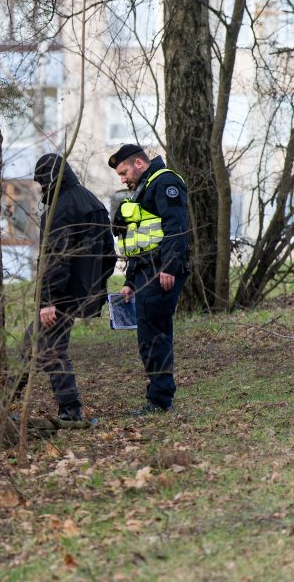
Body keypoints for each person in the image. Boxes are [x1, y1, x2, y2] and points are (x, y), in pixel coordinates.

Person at [13, 153, 116, 422]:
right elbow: (109, 253)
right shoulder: (92, 201)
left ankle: (70, 410)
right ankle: (8, 399)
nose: (40, 188)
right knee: (31, 343)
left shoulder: (61, 208)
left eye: (42, 182)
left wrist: (48, 300)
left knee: (50, 348)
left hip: (59, 295)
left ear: (51, 180)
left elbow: (55, 260)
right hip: (79, 292)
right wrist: (92, 287)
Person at [108, 144, 190, 415]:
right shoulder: (145, 189)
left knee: (154, 335)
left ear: (139, 163)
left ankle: (160, 400)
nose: (122, 179)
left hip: (160, 272)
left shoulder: (165, 182)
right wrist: (131, 281)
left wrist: (168, 267)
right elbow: (141, 241)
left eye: (124, 172)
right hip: (146, 272)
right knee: (149, 335)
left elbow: (176, 228)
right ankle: (159, 397)